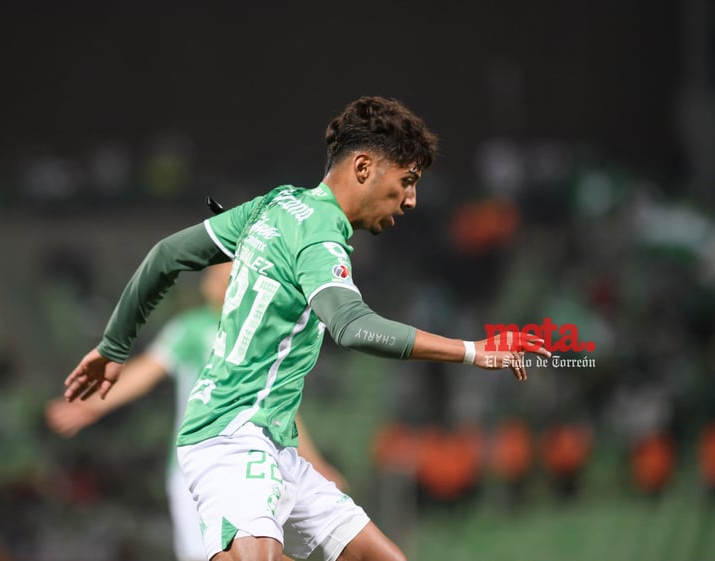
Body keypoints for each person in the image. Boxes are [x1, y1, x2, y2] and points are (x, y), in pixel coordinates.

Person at [62, 96, 552, 561]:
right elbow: (354, 327)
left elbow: (166, 255)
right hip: (231, 438)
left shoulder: (274, 207)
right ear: (364, 168)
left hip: (277, 449)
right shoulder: (319, 237)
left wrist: (113, 347)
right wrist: (473, 351)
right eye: (407, 180)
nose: (411, 200)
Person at [47, 262, 345, 561]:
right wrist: (93, 405)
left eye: (227, 275)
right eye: (213, 274)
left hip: (250, 465)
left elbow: (281, 409)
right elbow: (146, 372)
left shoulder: (264, 338)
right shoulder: (192, 328)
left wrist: (315, 463)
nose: (216, 280)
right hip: (196, 468)